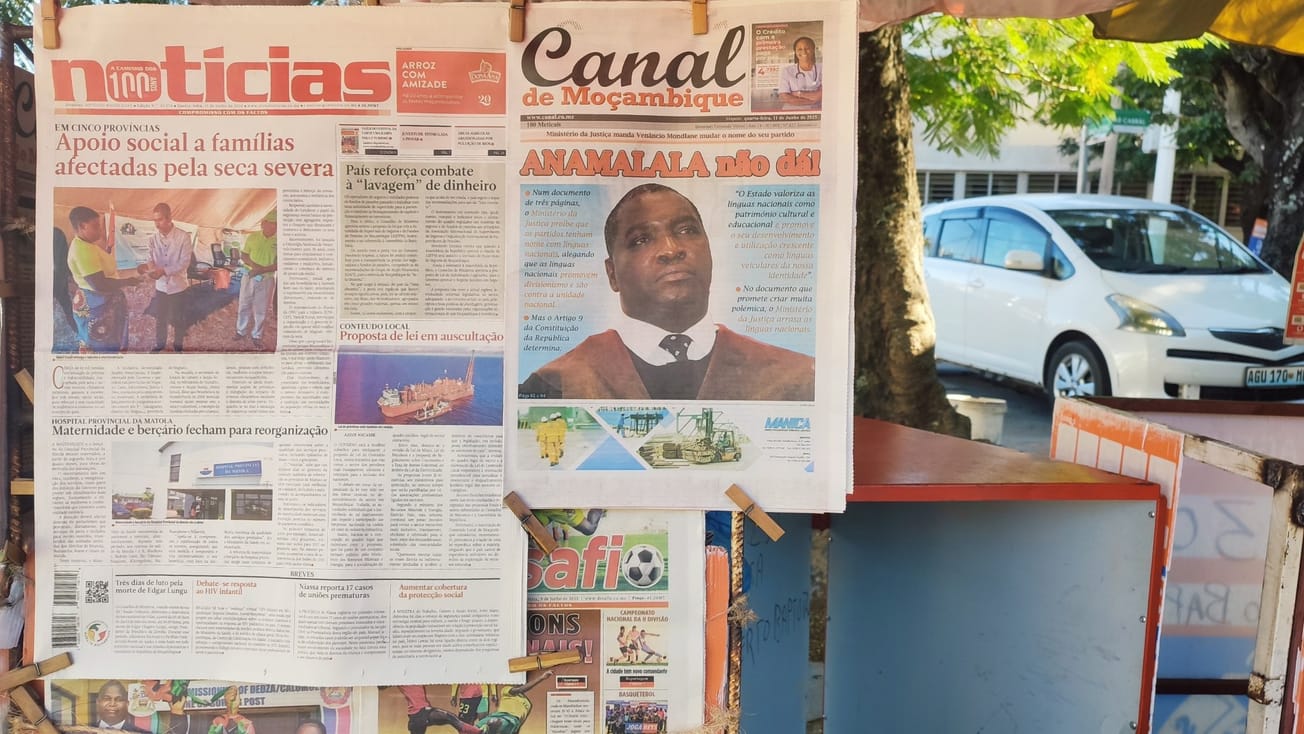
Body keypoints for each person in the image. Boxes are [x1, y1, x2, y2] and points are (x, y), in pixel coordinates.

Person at [518, 184, 815, 401]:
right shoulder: (555, 384)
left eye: (686, 230)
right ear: (612, 274)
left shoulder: (796, 377)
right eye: (641, 240)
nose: (671, 250)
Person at [66, 207, 143, 353]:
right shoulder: (82, 250)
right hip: (96, 305)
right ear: (82, 226)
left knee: (105, 341)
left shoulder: (86, 244)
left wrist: (107, 252)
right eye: (96, 227)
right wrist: (128, 281)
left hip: (99, 302)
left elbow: (97, 265)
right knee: (101, 345)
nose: (100, 231)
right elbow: (99, 284)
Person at [423, 671, 553, 734]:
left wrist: (493, 694)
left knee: (491, 724)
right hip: (498, 715)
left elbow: (519, 724)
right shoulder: (507, 690)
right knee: (481, 725)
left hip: (512, 723)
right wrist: (541, 678)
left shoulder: (528, 704)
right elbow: (520, 689)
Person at [146, 203, 193, 352]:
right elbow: (149, 258)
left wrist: (164, 271)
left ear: (169, 218)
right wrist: (151, 269)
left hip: (178, 286)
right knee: (161, 318)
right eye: (155, 220)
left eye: (160, 220)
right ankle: (160, 344)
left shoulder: (183, 237)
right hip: (161, 286)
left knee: (178, 318)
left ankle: (178, 346)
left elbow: (184, 263)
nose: (156, 224)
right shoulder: (152, 239)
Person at [236, 208, 277, 349]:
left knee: (261, 309)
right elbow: (244, 255)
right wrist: (254, 267)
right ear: (263, 223)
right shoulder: (252, 237)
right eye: (270, 223)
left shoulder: (280, 240)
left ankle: (257, 335)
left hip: (267, 279)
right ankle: (240, 331)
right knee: (244, 304)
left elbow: (280, 263)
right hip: (249, 275)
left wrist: (262, 270)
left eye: (275, 224)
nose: (273, 226)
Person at [778, 36, 822, 108]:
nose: (804, 52)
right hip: (792, 111)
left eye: (807, 48)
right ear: (795, 51)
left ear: (813, 49)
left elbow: (821, 95)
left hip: (816, 110)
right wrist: (812, 100)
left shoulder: (823, 68)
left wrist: (798, 93)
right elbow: (784, 96)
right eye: (800, 49)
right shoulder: (787, 71)